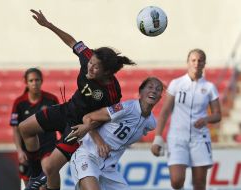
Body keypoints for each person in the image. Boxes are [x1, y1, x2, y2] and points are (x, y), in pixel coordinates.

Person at [19, 9, 136, 190]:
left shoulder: (112, 92)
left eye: (96, 67)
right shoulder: (88, 57)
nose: (90, 68)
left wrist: (89, 128)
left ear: (107, 72)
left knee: (50, 167)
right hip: (67, 109)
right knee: (24, 128)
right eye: (91, 63)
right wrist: (48, 25)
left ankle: (43, 179)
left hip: (79, 128)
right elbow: (72, 41)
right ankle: (34, 176)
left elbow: (108, 117)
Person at [66, 77, 163, 190]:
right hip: (88, 156)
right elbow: (88, 118)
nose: (154, 91)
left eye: (158, 89)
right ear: (140, 91)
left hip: (109, 169)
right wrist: (100, 142)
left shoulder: (151, 123)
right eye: (150, 87)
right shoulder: (125, 108)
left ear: (160, 97)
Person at [151, 49, 222, 190]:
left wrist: (206, 119)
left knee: (199, 183)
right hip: (177, 137)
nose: (197, 63)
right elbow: (165, 111)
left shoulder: (209, 87)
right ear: (188, 62)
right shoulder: (176, 84)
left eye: (200, 60)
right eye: (193, 60)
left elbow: (218, 114)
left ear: (204, 63)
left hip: (200, 138)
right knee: (176, 181)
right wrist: (158, 137)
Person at [10, 68, 59, 190]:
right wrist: (20, 150)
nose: (34, 83)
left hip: (48, 148)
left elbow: (60, 123)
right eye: (31, 80)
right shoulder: (19, 103)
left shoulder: (51, 99)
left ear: (41, 81)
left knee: (46, 179)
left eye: (37, 80)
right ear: (26, 82)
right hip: (29, 151)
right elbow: (15, 129)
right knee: (29, 183)